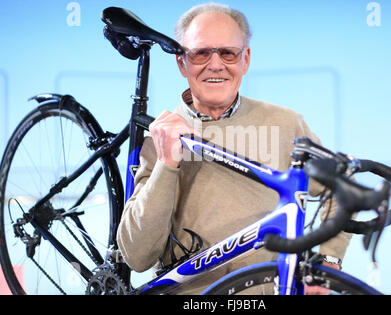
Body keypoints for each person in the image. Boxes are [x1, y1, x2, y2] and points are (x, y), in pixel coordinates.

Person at [117, 2, 352, 295]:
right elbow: (137, 257)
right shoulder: (160, 138)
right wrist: (167, 162)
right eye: (201, 53)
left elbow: (341, 189)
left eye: (228, 52)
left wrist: (328, 261)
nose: (216, 64)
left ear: (245, 60)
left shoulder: (286, 124)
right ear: (182, 63)